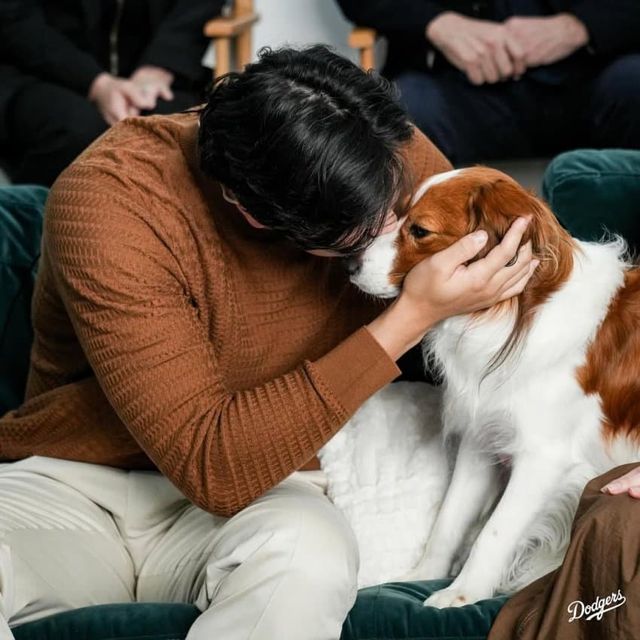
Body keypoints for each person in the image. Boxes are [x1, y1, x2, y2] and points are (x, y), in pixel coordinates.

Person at [0, 45, 537, 640]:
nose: (392, 230)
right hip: (72, 487)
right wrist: (412, 315)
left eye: (398, 211)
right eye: (363, 237)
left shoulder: (384, 152)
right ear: (250, 211)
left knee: (308, 559)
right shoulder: (111, 200)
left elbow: (544, 313)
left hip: (271, 495)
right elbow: (212, 465)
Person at [337, 0, 640, 164]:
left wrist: (577, 28)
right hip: (453, 87)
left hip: (594, 78)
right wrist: (437, 24)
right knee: (403, 113)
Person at [0, 0, 222, 186]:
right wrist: (96, 83)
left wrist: (158, 66)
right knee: (77, 131)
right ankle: (41, 221)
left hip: (157, 71)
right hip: (44, 70)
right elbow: (15, 20)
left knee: (176, 133)